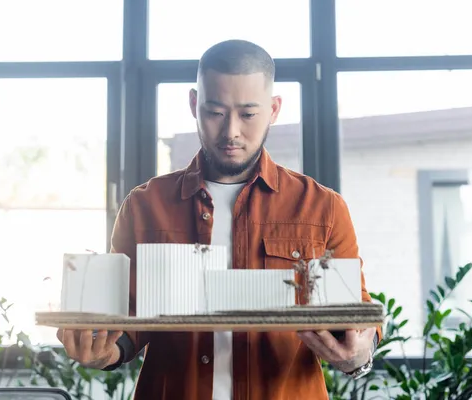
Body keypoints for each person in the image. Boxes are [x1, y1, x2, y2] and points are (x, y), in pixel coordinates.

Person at [57, 39, 381, 400]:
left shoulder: (323, 208)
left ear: (273, 109)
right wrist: (106, 352)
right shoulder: (144, 205)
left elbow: (353, 322)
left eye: (247, 114)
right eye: (215, 112)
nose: (231, 132)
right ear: (195, 104)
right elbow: (131, 321)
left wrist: (359, 356)